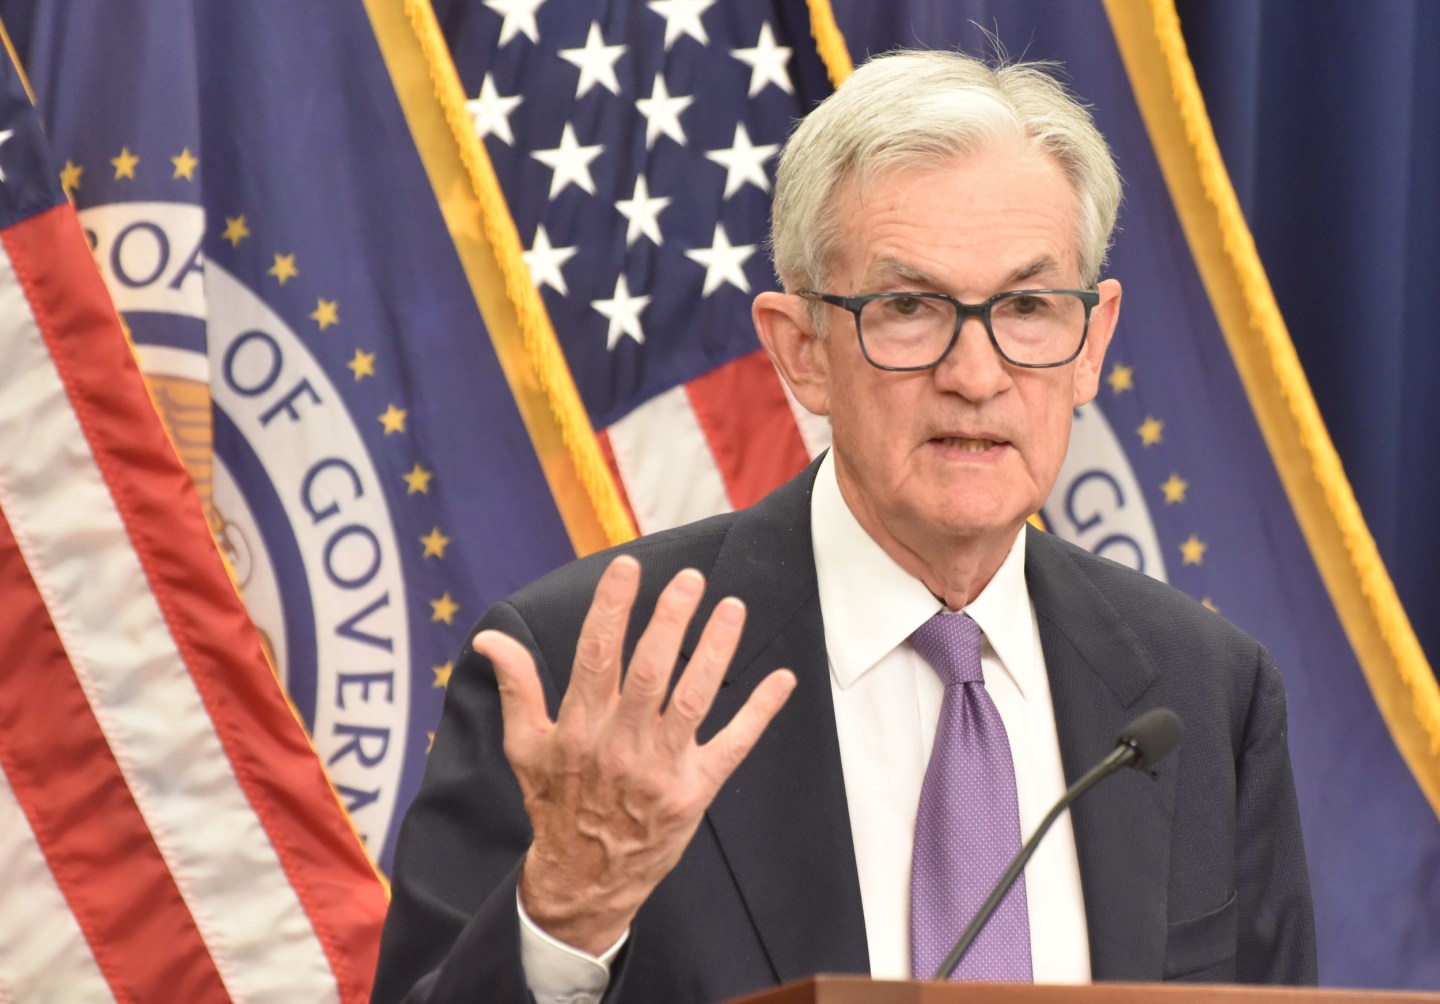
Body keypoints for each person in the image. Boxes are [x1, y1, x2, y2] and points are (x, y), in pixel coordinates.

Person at [371, 49, 1316, 1003]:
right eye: (909, 308)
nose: (977, 375)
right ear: (802, 352)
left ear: (1091, 344)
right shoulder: (583, 675)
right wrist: (570, 910)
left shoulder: (1204, 692)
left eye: (1028, 307)